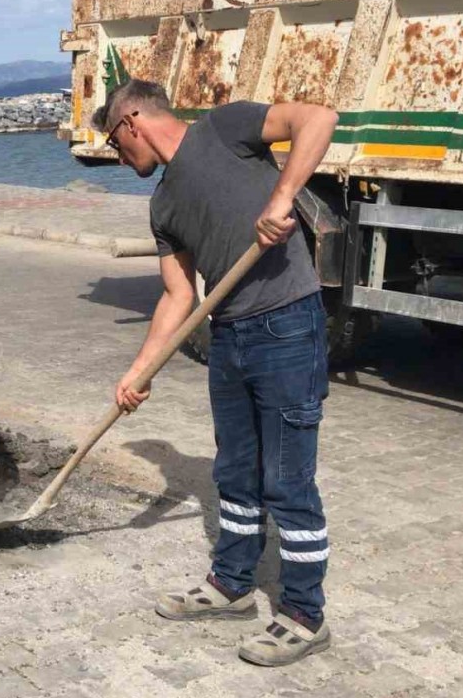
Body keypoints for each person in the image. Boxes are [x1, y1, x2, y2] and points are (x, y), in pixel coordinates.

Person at [95, 79, 338, 667]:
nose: (118, 157)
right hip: (228, 335)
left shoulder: (224, 128)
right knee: (234, 470)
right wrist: (140, 371)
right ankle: (232, 583)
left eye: (115, 144)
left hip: (286, 323)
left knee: (287, 478)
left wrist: (282, 198)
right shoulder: (162, 205)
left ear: (132, 121)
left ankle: (304, 614)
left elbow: (318, 118)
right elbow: (178, 296)